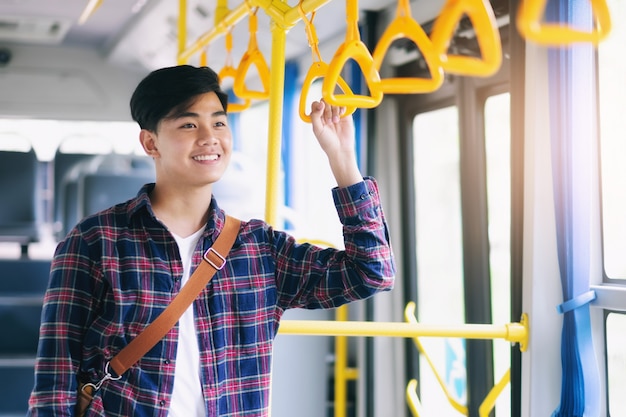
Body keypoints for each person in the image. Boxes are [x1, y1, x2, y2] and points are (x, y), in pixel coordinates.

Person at [27, 65, 395, 417]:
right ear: (150, 142)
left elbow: (371, 272)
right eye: (189, 124)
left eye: (219, 122)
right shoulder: (95, 241)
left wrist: (343, 160)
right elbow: (55, 376)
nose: (210, 137)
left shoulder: (259, 248)